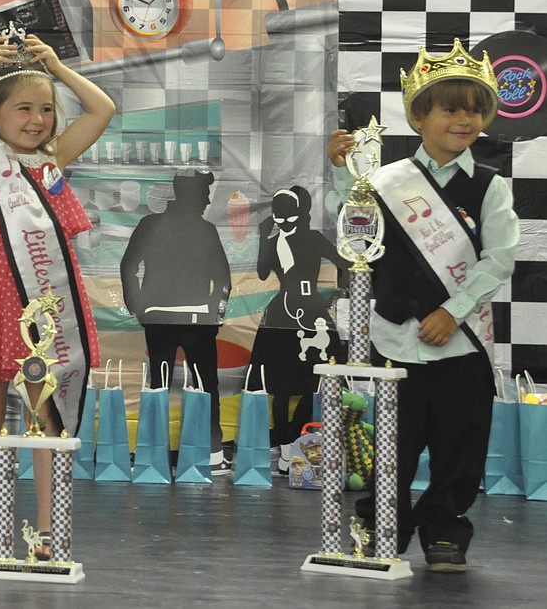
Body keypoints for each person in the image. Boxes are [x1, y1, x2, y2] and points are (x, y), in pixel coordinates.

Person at [325, 39, 518, 572]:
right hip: (393, 339)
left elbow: (500, 259)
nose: (464, 119)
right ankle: (381, 526)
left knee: (461, 447)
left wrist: (453, 310)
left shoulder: (491, 187)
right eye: (450, 107)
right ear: (417, 115)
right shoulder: (382, 181)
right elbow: (358, 239)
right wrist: (344, 173)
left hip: (461, 339)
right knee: (391, 446)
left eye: (475, 109)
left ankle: (444, 531)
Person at [0, 24, 113, 562]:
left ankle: (47, 530)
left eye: (45, 110)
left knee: (49, 417)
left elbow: (102, 109)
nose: (38, 120)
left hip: (50, 305)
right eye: (24, 109)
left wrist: (56, 69)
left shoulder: (54, 156)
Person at [120, 170, 232, 475]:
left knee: (160, 383)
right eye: (205, 194)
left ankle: (154, 452)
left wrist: (139, 306)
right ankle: (211, 452)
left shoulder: (151, 224)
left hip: (160, 316)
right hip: (196, 318)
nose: (209, 200)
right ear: (192, 195)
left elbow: (129, 265)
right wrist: (214, 313)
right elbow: (222, 278)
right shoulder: (204, 229)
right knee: (205, 385)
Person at [248, 185, 349, 474]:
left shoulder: (314, 238)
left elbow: (344, 262)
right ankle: (282, 443)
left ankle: (300, 435)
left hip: (312, 309)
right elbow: (263, 272)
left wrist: (337, 294)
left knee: (317, 374)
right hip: (281, 310)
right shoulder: (274, 238)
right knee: (279, 381)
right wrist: (263, 238)